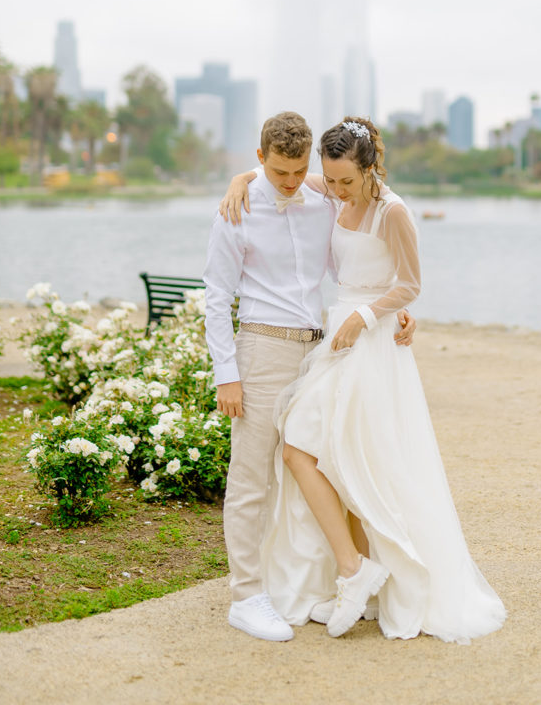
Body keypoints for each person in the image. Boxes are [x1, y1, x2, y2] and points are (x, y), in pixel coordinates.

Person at [226, 116, 506, 642]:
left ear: (369, 167)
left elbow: (411, 283)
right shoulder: (331, 191)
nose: (333, 191)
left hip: (366, 342)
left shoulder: (393, 211)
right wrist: (241, 179)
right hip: (337, 336)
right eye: (329, 181)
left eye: (344, 182)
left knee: (325, 452)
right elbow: (276, 177)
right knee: (323, 454)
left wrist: (370, 315)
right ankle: (355, 571)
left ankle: (360, 574)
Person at [203, 111, 416, 642]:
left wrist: (389, 311)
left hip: (316, 349)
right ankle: (246, 597)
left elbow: (349, 268)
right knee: (250, 479)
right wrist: (226, 375)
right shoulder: (239, 207)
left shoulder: (324, 199)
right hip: (260, 348)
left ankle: (325, 579)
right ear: (259, 161)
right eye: (279, 172)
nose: (292, 182)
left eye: (300, 171)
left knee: (322, 463)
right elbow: (215, 299)